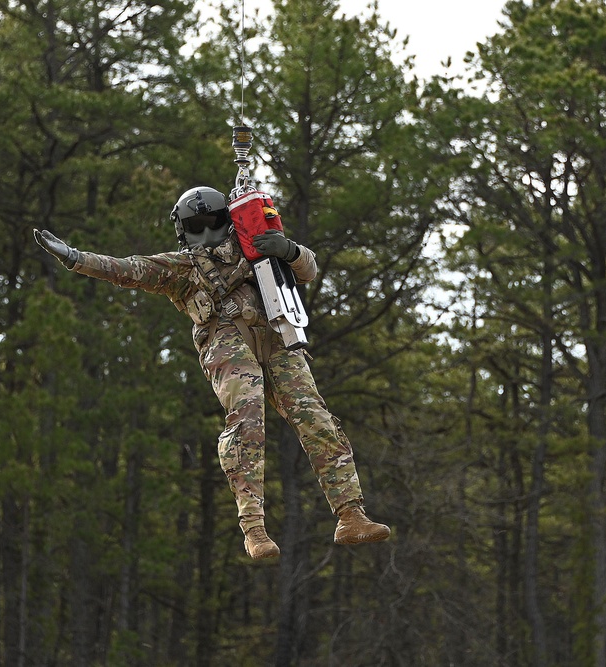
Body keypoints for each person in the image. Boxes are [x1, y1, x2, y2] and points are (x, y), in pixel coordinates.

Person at [34, 186, 390, 560]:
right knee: (247, 418)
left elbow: (307, 269)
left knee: (315, 417)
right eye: (195, 227)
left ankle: (351, 515)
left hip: (276, 335)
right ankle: (254, 528)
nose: (205, 235)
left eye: (213, 223)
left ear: (228, 221)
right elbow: (127, 269)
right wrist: (75, 258)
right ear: (183, 231)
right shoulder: (182, 268)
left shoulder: (256, 246)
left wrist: (289, 251)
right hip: (225, 340)